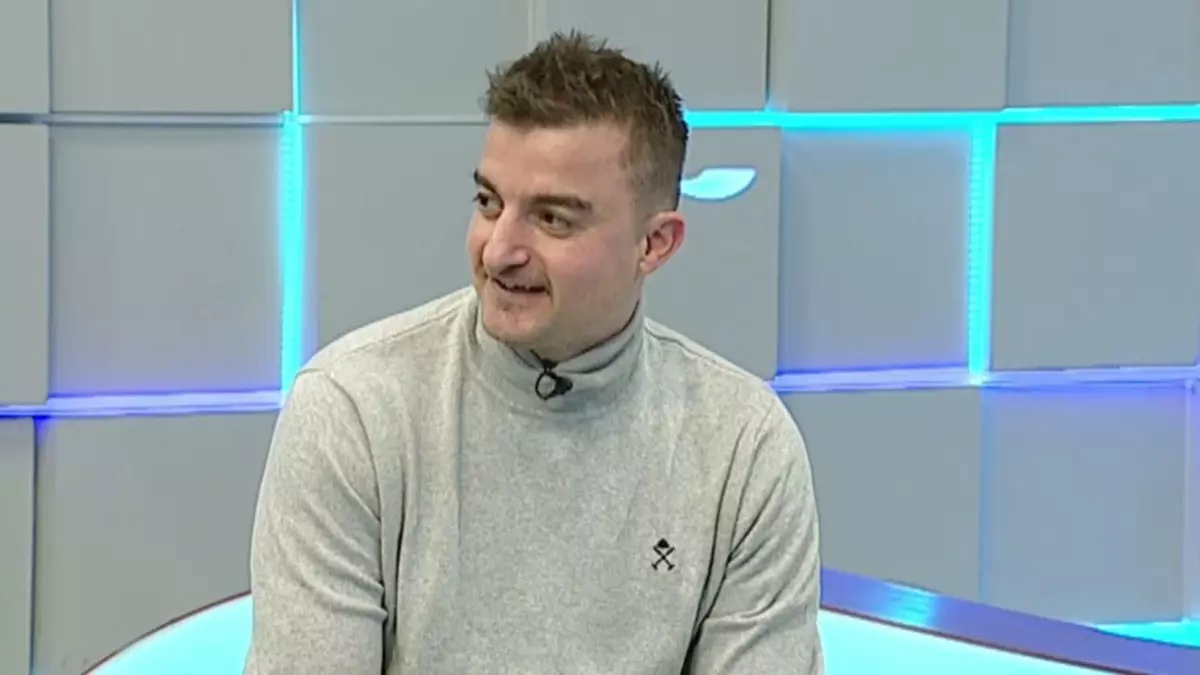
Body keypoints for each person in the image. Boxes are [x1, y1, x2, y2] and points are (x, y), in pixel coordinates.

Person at [245, 30, 823, 674]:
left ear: (654, 244)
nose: (498, 251)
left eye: (552, 219)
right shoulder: (353, 412)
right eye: (489, 203)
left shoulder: (744, 447)